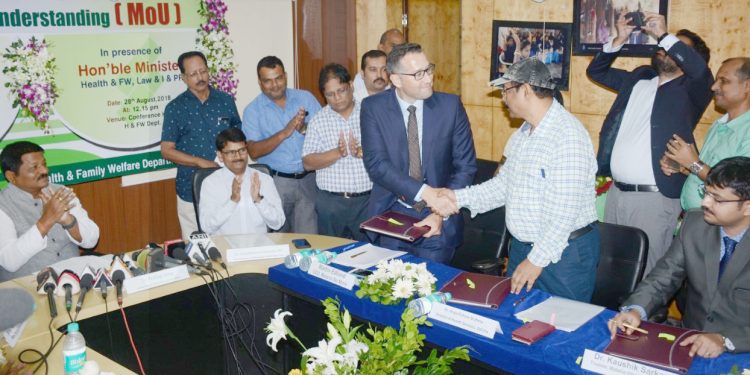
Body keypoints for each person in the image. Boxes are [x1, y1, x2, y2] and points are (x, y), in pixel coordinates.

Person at [431, 58, 600, 302]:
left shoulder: (567, 136)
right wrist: (457, 197)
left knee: (558, 330)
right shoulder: (523, 134)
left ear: (527, 90)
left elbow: (563, 214)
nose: (503, 97)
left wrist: (535, 260)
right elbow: (503, 186)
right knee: (516, 322)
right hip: (526, 250)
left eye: (507, 90)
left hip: (563, 255)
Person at [587, 12, 714, 275]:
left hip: (654, 197)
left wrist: (665, 36)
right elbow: (596, 71)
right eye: (662, 46)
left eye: (673, 48)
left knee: (647, 273)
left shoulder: (692, 89)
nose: (663, 49)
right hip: (616, 193)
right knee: (609, 269)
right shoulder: (640, 78)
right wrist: (619, 39)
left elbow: (700, 70)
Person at [609, 156, 750, 357]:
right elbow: (664, 277)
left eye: (717, 199)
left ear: (747, 206)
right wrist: (636, 310)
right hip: (691, 341)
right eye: (706, 192)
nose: (705, 202)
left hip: (742, 350)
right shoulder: (695, 223)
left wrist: (725, 340)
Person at [360, 43, 477, 264]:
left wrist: (439, 211)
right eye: (418, 74)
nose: (428, 78)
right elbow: (377, 165)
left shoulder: (450, 106)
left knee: (429, 290)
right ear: (396, 80)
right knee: (390, 291)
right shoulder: (373, 108)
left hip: (438, 219)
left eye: (429, 69)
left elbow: (465, 166)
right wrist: (425, 192)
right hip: (391, 213)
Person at [160, 51, 242, 241]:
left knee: (229, 243)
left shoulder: (225, 101)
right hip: (190, 188)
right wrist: (199, 162)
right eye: (193, 74)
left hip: (226, 188)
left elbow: (238, 135)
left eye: (203, 71)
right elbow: (166, 150)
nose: (200, 78)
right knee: (196, 249)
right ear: (183, 78)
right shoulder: (175, 108)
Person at [242, 56, 321, 234]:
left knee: (309, 241)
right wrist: (285, 132)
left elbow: (325, 133)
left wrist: (303, 128)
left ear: (285, 76)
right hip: (275, 183)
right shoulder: (252, 110)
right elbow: (253, 151)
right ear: (260, 83)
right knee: (277, 239)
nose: (275, 85)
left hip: (309, 180)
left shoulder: (305, 98)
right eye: (268, 81)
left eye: (278, 78)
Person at [0, 142, 99, 282]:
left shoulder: (61, 191)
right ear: (11, 176)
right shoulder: (3, 206)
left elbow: (92, 239)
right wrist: (45, 221)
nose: (44, 171)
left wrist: (67, 220)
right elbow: (9, 261)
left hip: (73, 281)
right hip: (28, 291)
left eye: (44, 164)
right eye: (34, 167)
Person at [661, 57, 750, 210]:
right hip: (696, 220)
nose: (714, 87)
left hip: (721, 226)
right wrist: (684, 166)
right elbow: (709, 174)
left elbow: (739, 186)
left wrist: (694, 164)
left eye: (724, 81)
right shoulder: (718, 124)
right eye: (716, 80)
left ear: (747, 85)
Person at [302, 64, 371, 241]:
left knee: (369, 256)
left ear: (351, 85)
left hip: (367, 201)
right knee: (331, 254)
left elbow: (388, 152)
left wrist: (363, 152)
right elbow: (307, 163)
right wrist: (337, 153)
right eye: (330, 94)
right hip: (331, 204)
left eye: (341, 90)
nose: (337, 98)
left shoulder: (370, 112)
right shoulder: (318, 121)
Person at [199, 128, 284, 235]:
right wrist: (232, 201)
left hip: (259, 247)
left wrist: (259, 199)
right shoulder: (210, 183)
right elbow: (206, 227)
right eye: (231, 152)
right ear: (220, 155)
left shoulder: (264, 179)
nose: (238, 156)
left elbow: (278, 223)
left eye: (242, 150)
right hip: (225, 248)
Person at [353, 29, 405, 99]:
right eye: (394, 46)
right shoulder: (362, 79)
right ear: (381, 48)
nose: (399, 51)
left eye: (402, 47)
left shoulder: (407, 73)